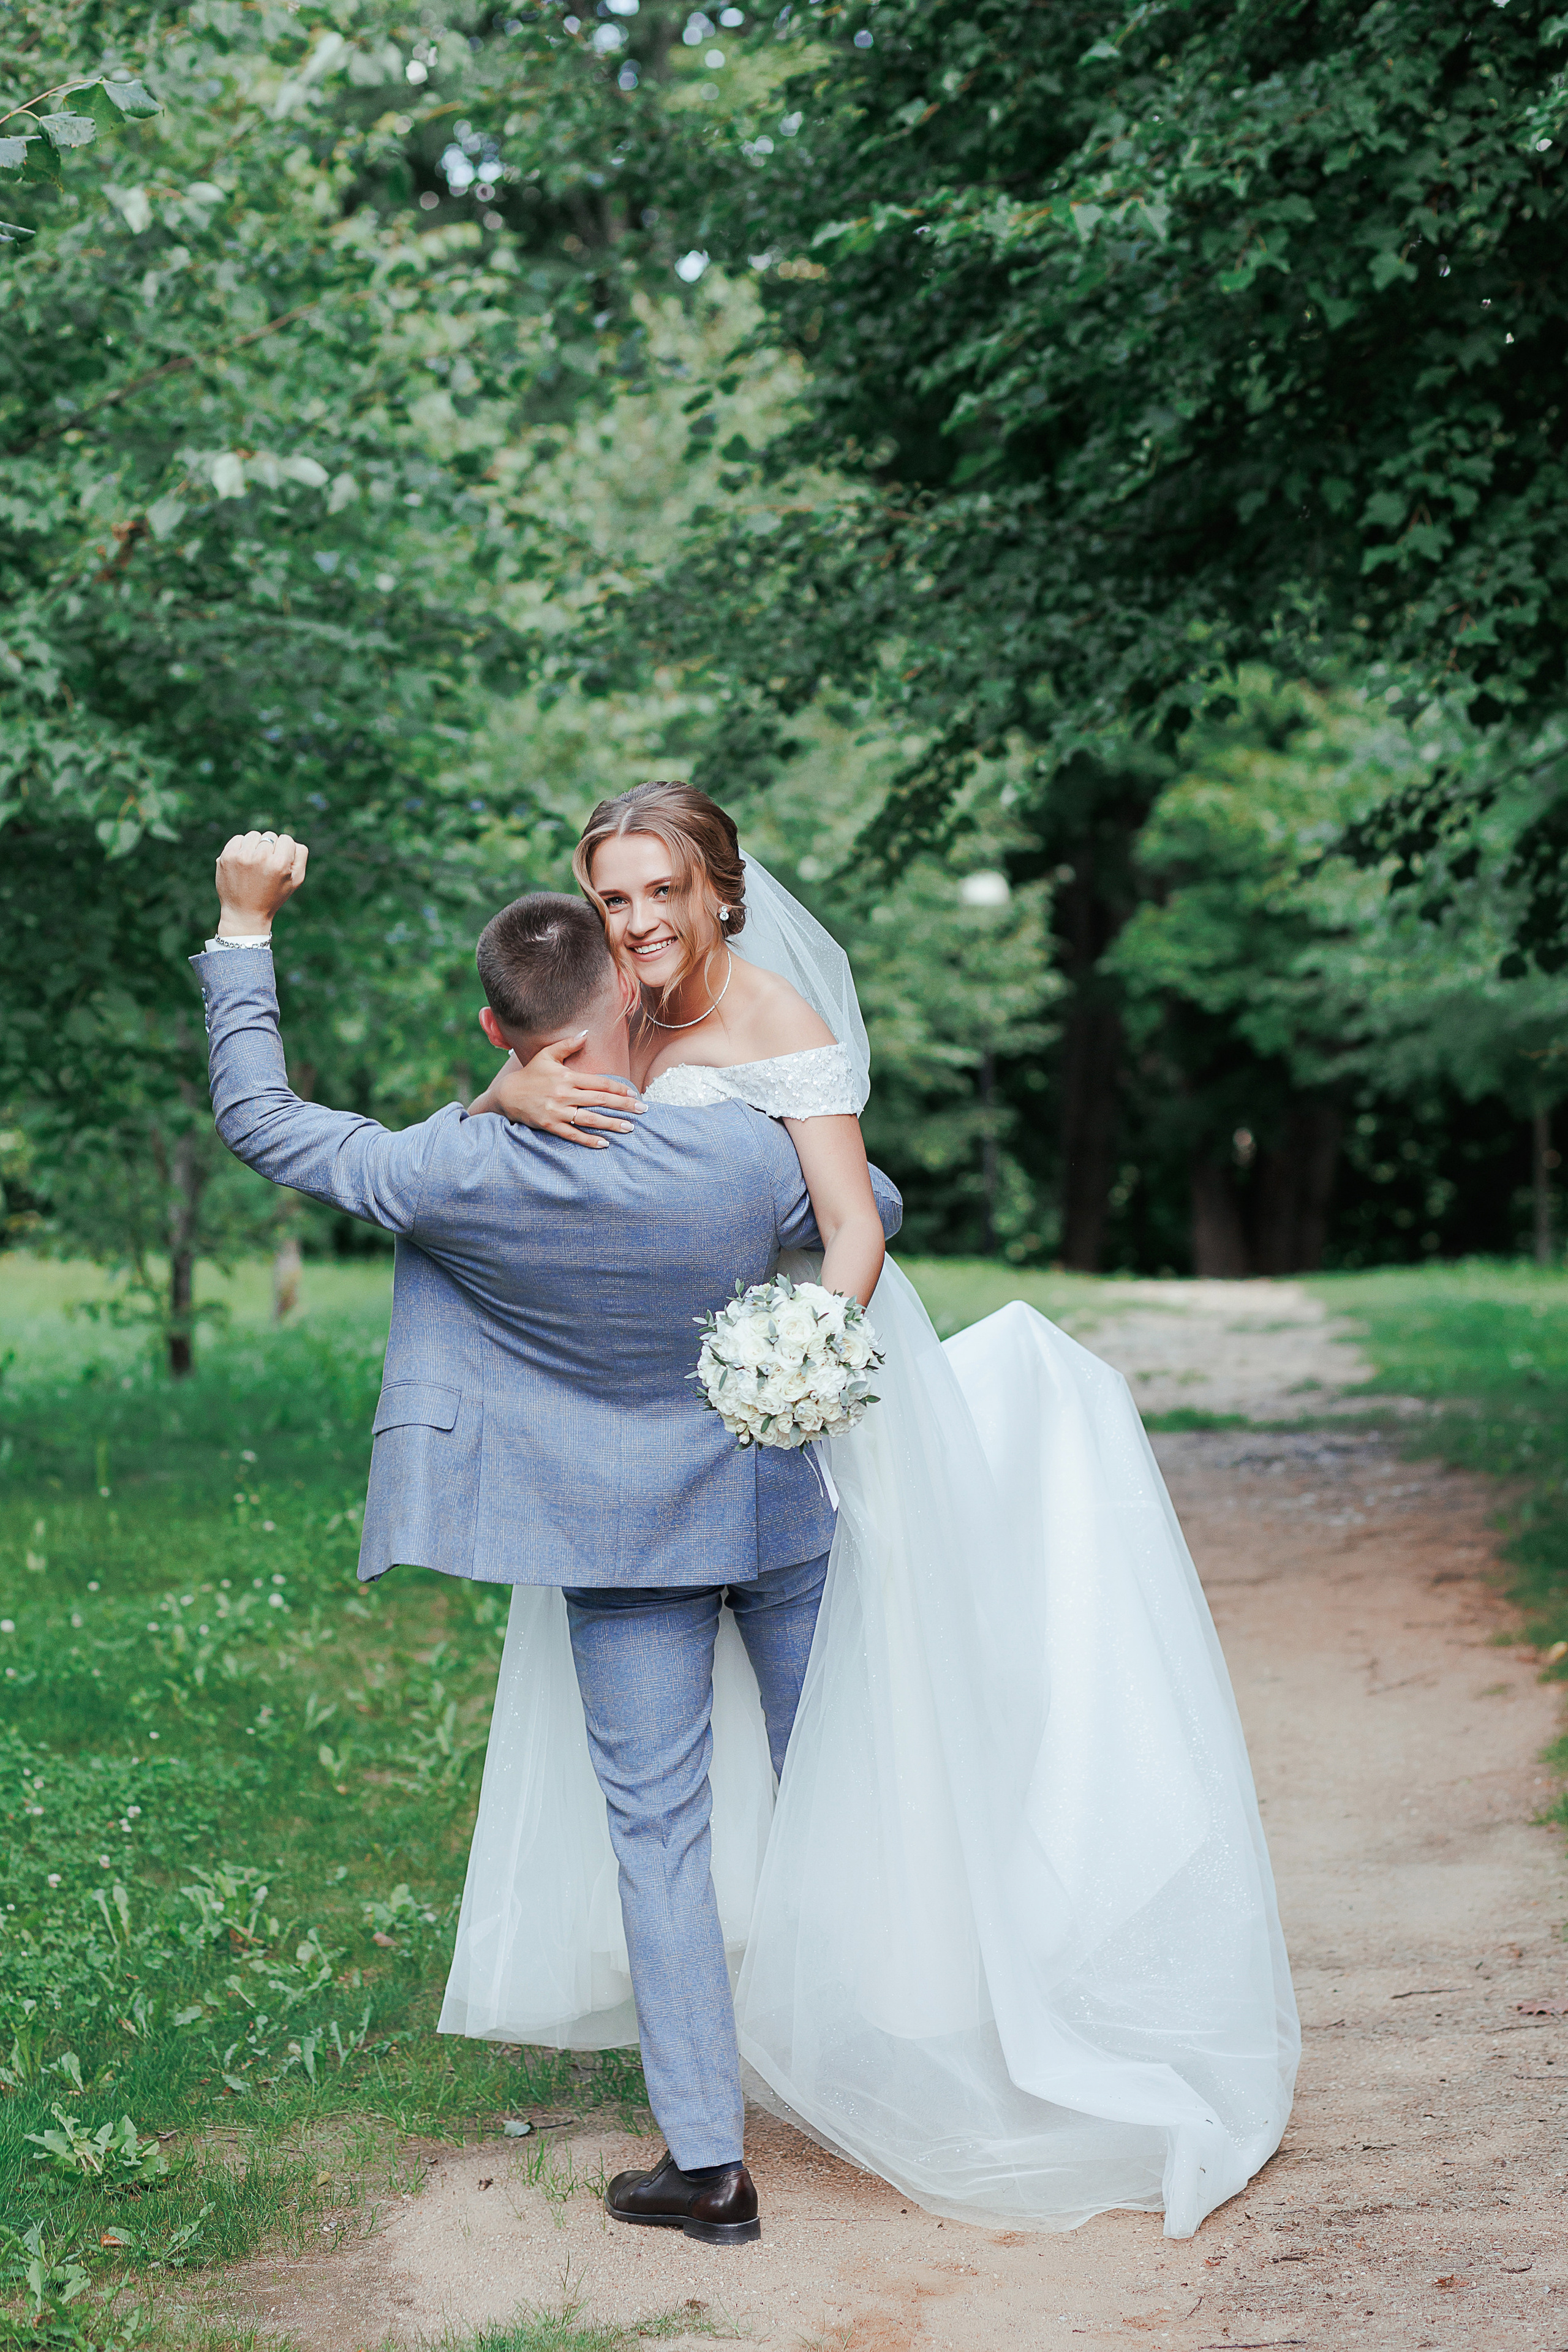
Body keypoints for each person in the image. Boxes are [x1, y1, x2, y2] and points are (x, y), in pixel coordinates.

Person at [450, 782, 1301, 2240]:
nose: (639, 924)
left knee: (843, 1753)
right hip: (623, 1472)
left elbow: (851, 1226)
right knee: (651, 1812)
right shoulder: (590, 1020)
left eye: (662, 892)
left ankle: (919, 2062)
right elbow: (494, 1179)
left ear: (721, 889)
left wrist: (793, 1366)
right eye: (611, 900)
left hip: (779, 1449)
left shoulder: (778, 1019)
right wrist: (497, 1093)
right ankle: (704, 2156)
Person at [191, 829, 903, 2246]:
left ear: (496, 1033)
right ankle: (904, 2076)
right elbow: (865, 1212)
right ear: (626, 997)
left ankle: (706, 2167)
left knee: (658, 1834)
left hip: (612, 1541)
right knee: (843, 1771)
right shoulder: (725, 1153)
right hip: (767, 1504)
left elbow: (260, 1120)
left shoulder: (448, 1168)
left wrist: (242, 928)